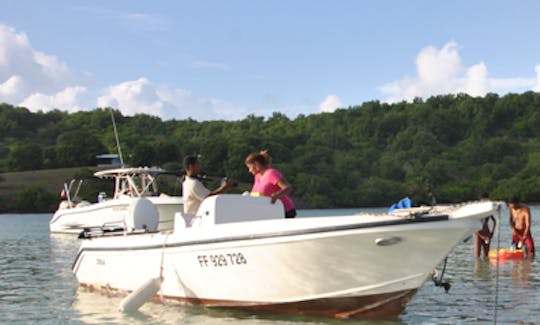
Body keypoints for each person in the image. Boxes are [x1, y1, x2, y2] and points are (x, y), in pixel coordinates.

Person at [244, 150, 296, 218]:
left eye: (250, 167)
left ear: (256, 164)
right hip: (271, 211)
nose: (249, 170)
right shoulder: (257, 176)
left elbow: (288, 188)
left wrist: (276, 195)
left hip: (285, 210)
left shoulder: (271, 173)